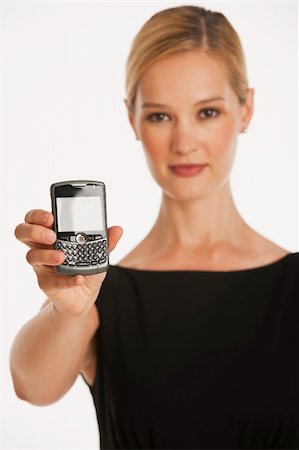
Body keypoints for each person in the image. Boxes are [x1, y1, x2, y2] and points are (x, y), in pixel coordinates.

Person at [10, 4, 298, 449]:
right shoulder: (101, 293)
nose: (184, 142)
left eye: (207, 112)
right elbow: (31, 387)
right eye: (160, 116)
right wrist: (68, 309)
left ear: (246, 109)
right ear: (133, 119)